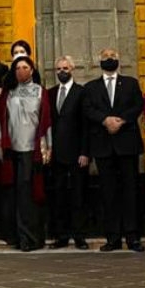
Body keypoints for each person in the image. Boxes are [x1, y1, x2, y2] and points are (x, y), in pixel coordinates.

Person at [83, 47, 144, 252]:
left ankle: (133, 237)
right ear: (99, 61)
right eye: (105, 57)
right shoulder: (91, 87)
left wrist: (122, 120)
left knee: (130, 192)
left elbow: (138, 105)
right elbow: (88, 109)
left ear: (119, 60)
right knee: (108, 193)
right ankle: (112, 237)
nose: (109, 59)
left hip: (127, 143)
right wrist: (104, 120)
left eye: (113, 56)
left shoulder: (130, 83)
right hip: (103, 145)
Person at [0, 56, 51, 251]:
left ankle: (33, 237)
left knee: (30, 195)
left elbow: (46, 122)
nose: (21, 71)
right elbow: (0, 122)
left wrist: (47, 148)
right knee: (15, 195)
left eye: (25, 67)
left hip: (33, 150)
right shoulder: (8, 93)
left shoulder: (39, 92)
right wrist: (0, 145)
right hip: (12, 151)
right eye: (17, 68)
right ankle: (19, 237)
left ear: (32, 69)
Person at [46, 55, 90, 250]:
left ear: (72, 69)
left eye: (65, 68)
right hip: (56, 153)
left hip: (77, 153)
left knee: (78, 196)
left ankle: (79, 236)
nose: (62, 72)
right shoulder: (50, 93)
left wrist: (85, 152)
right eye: (59, 69)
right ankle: (61, 236)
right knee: (59, 196)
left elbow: (86, 125)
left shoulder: (82, 92)